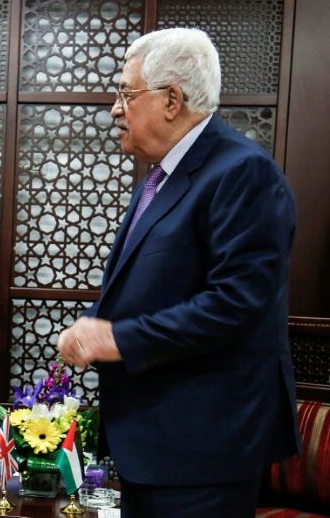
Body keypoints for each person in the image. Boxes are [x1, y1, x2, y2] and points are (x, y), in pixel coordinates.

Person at [57, 28, 299, 517]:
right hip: (156, 444)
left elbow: (237, 304)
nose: (114, 109)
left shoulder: (242, 172)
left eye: (126, 93)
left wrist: (118, 339)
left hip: (205, 447)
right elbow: (151, 286)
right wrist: (92, 326)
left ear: (172, 100)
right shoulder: (160, 175)